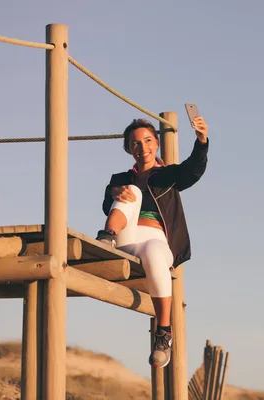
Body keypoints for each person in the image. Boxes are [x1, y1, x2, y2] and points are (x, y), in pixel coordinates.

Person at [96, 115, 209, 368]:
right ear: (128, 149)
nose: (142, 147)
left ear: (156, 144)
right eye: (135, 143)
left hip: (156, 240)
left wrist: (201, 140)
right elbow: (107, 205)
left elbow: (194, 169)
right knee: (131, 190)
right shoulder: (119, 178)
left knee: (156, 253)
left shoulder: (168, 175)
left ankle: (163, 333)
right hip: (125, 238)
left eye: (147, 141)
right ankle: (106, 238)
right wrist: (115, 192)